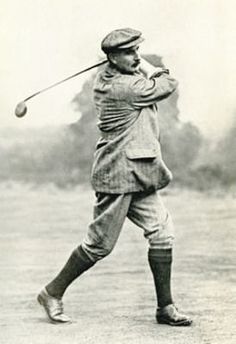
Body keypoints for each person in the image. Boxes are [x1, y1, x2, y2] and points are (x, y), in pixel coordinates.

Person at [37, 28, 192, 326]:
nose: (136, 57)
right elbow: (168, 83)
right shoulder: (121, 87)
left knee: (162, 232)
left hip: (140, 172)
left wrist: (132, 61)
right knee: (99, 246)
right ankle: (51, 292)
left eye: (137, 50)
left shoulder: (119, 76)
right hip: (118, 175)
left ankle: (165, 308)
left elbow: (148, 79)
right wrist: (147, 64)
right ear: (111, 58)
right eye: (129, 52)